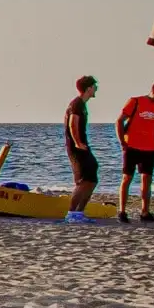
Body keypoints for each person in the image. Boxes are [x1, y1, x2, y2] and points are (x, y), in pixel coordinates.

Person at [114, 79, 154, 221]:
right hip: (132, 146)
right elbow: (119, 121)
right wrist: (122, 142)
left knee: (147, 180)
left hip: (150, 149)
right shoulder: (136, 101)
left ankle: (145, 212)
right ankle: (122, 211)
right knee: (127, 178)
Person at [63, 74, 99, 222]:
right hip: (76, 148)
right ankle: (71, 214)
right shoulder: (77, 103)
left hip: (83, 146)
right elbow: (73, 123)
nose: (96, 88)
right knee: (83, 180)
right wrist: (77, 142)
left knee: (92, 178)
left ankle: (79, 212)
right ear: (88, 88)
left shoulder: (82, 104)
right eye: (95, 86)